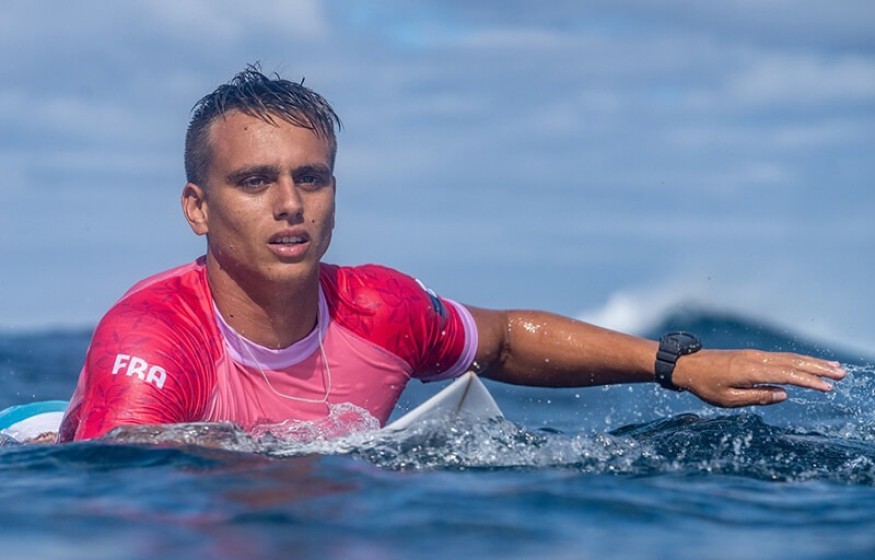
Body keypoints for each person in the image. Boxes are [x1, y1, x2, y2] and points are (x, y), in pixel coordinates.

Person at [57, 65, 846, 442]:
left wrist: (677, 366)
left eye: (311, 177)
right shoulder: (152, 339)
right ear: (197, 207)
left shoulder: (380, 307)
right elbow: (124, 493)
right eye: (254, 181)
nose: (290, 203)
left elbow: (501, 341)